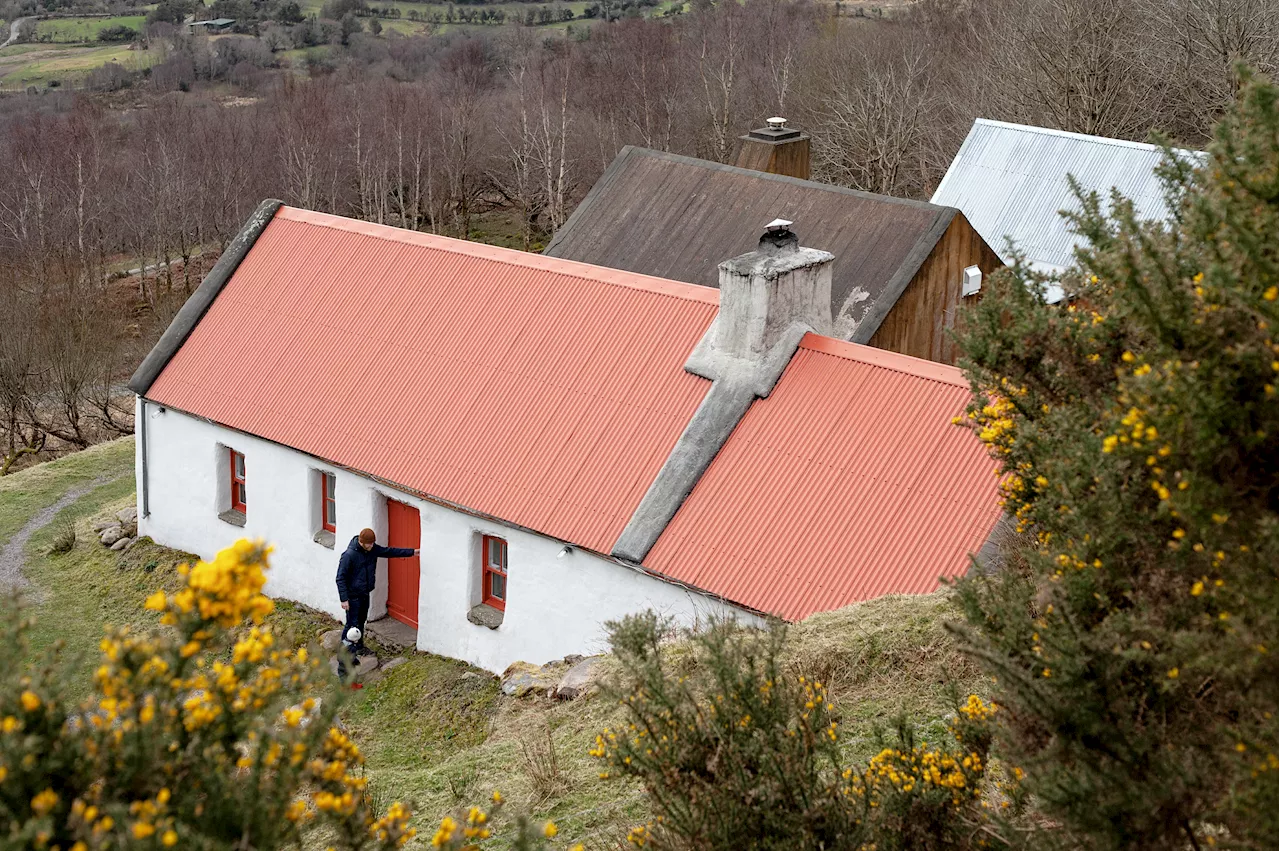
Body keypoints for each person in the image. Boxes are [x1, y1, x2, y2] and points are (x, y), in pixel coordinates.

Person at [336, 527, 419, 656]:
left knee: (361, 622)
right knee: (352, 625)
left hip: (364, 594)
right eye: (369, 544)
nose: (372, 546)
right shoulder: (349, 555)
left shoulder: (372, 549)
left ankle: (359, 647)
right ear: (361, 542)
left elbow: (389, 551)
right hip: (353, 596)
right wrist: (344, 598)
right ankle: (345, 652)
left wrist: (412, 552)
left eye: (373, 543)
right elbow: (340, 578)